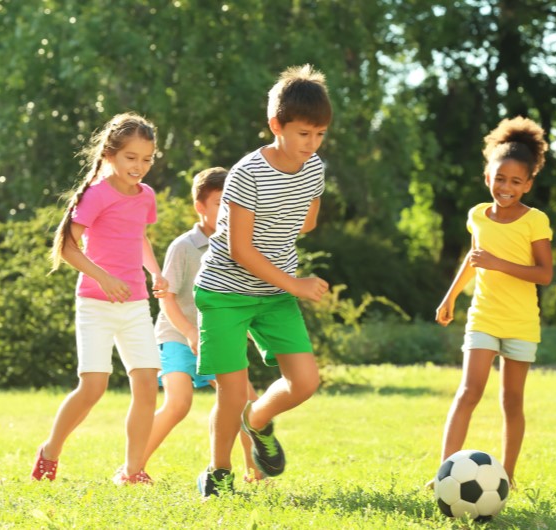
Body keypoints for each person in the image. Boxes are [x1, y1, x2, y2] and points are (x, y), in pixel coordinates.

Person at [194, 64, 331, 498]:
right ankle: (218, 472)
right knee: (232, 393)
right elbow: (240, 248)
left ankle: (257, 422)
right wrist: (297, 284)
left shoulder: (314, 169)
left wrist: (287, 275)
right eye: (303, 134)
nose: (312, 145)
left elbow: (306, 221)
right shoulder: (246, 174)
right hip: (224, 293)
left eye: (320, 135)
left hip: (272, 294)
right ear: (277, 126)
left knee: (305, 382)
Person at [31, 112, 166, 485]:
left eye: (147, 159)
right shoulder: (97, 194)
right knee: (93, 386)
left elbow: (138, 237)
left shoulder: (146, 197)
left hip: (136, 303)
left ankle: (133, 471)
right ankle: (50, 450)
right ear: (110, 154)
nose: (139, 166)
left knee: (147, 382)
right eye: (131, 158)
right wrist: (103, 278)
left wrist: (155, 272)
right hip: (95, 303)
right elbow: (68, 248)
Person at [431, 116, 553, 490]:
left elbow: (544, 274)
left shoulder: (535, 221)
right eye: (500, 179)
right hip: (483, 317)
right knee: (469, 392)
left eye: (516, 181)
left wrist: (499, 264)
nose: (506, 187)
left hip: (520, 324)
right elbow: (473, 259)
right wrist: (449, 297)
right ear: (487, 177)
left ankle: (509, 476)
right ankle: (444, 474)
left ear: (528, 184)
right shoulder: (477, 216)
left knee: (511, 402)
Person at [142, 167, 263, 483]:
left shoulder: (241, 246)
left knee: (247, 405)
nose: (228, 212)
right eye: (221, 204)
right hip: (178, 336)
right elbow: (166, 299)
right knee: (179, 403)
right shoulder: (184, 247)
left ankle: (257, 475)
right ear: (200, 207)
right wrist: (190, 332)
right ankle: (132, 468)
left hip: (218, 340)